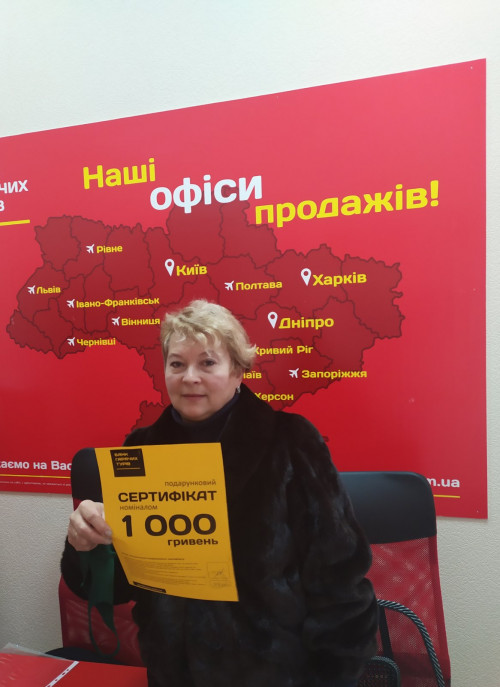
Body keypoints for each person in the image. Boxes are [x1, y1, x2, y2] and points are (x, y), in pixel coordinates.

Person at [61, 299, 378, 687]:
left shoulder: (291, 442)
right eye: (177, 364)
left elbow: (339, 580)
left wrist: (333, 676)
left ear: (238, 371)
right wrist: (89, 545)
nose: (189, 377)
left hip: (275, 676)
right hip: (173, 677)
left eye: (207, 363)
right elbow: (114, 588)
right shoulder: (140, 450)